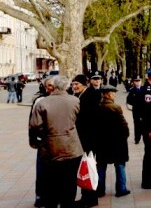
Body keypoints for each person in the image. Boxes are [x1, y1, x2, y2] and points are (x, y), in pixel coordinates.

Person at [29, 75, 83, 208]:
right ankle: (67, 203)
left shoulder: (42, 102)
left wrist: (36, 143)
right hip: (71, 148)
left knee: (50, 182)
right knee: (69, 182)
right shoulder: (75, 101)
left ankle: (51, 202)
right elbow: (79, 121)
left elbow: (35, 126)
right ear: (66, 86)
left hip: (50, 148)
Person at [95, 85, 131, 198]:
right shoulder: (115, 107)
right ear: (106, 94)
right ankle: (121, 188)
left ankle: (100, 189)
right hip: (117, 142)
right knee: (119, 164)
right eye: (112, 92)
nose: (114, 94)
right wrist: (125, 135)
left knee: (101, 165)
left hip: (102, 142)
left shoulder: (98, 107)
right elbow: (123, 125)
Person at [75, 72, 103, 208]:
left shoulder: (92, 95)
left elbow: (92, 118)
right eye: (73, 84)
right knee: (85, 168)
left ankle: (91, 198)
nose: (74, 86)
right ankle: (86, 196)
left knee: (90, 167)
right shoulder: (79, 94)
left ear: (84, 84)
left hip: (90, 138)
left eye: (77, 84)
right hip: (82, 137)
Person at [28, 76, 55, 208]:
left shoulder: (61, 98)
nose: (51, 87)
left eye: (53, 85)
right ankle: (41, 196)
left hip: (58, 140)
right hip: (44, 140)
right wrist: (34, 140)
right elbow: (32, 122)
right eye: (48, 85)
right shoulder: (40, 100)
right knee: (42, 169)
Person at [126, 75, 144, 144]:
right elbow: (129, 100)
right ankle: (137, 138)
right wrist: (134, 104)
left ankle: (145, 136)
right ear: (133, 82)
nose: (137, 82)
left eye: (138, 81)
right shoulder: (132, 90)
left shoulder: (144, 89)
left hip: (144, 110)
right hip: (136, 110)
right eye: (136, 81)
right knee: (137, 124)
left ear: (141, 81)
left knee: (144, 123)